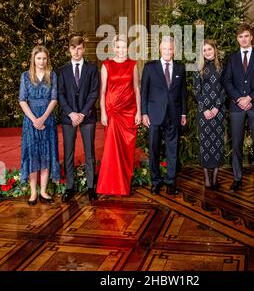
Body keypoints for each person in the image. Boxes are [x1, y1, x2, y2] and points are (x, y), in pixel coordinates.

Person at [224, 24, 254, 194]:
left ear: (251, 37)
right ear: (237, 39)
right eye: (240, 37)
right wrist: (238, 99)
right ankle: (237, 179)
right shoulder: (231, 58)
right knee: (236, 143)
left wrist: (250, 97)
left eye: (246, 36)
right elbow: (227, 81)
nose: (243, 39)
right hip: (236, 107)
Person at [141, 36, 187, 195]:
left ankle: (171, 181)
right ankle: (155, 181)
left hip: (173, 115)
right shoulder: (149, 67)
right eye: (165, 48)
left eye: (171, 48)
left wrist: (183, 113)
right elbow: (144, 92)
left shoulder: (180, 68)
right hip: (154, 115)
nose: (168, 51)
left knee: (172, 149)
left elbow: (183, 92)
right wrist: (144, 113)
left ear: (174, 50)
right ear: (160, 49)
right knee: (154, 149)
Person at [96, 34, 141, 196]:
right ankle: (109, 186)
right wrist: (103, 112)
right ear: (113, 48)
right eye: (118, 47)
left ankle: (123, 184)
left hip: (129, 112)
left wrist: (139, 112)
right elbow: (103, 91)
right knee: (111, 149)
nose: (121, 50)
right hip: (113, 111)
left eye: (124, 47)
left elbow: (136, 89)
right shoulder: (106, 65)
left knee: (127, 149)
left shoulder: (133, 64)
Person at [58, 35, 100, 202]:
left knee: (89, 152)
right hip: (69, 118)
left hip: (87, 117)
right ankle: (69, 187)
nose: (76, 51)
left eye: (79, 48)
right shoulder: (63, 70)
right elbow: (60, 94)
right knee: (69, 153)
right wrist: (71, 113)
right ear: (69, 49)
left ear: (83, 49)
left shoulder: (92, 69)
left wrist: (82, 113)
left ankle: (91, 187)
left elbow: (94, 92)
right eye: (73, 48)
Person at [19, 45, 60, 205]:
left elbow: (54, 99)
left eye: (44, 58)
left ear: (47, 59)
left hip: (47, 120)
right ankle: (33, 192)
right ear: (33, 59)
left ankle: (43, 190)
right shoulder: (25, 76)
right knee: (33, 155)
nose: (41, 61)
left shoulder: (52, 75)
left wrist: (42, 118)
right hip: (30, 121)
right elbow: (22, 100)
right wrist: (34, 119)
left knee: (46, 153)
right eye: (38, 58)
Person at [194, 40, 226, 190]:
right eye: (204, 50)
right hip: (204, 112)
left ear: (215, 49)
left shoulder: (222, 67)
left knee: (218, 143)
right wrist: (205, 109)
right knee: (205, 144)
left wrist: (217, 108)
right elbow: (197, 91)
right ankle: (206, 176)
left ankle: (215, 176)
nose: (207, 52)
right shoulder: (199, 68)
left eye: (209, 49)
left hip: (219, 112)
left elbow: (224, 89)